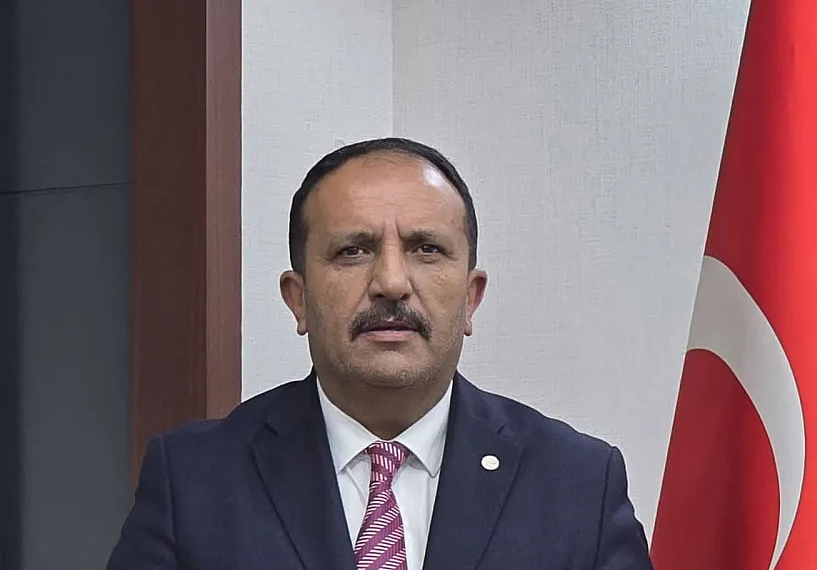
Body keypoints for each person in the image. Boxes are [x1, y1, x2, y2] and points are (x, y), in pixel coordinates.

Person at [106, 137, 653, 570]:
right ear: (298, 299)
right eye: (353, 251)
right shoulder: (194, 481)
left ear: (470, 298)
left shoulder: (577, 483)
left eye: (426, 249)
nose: (391, 282)